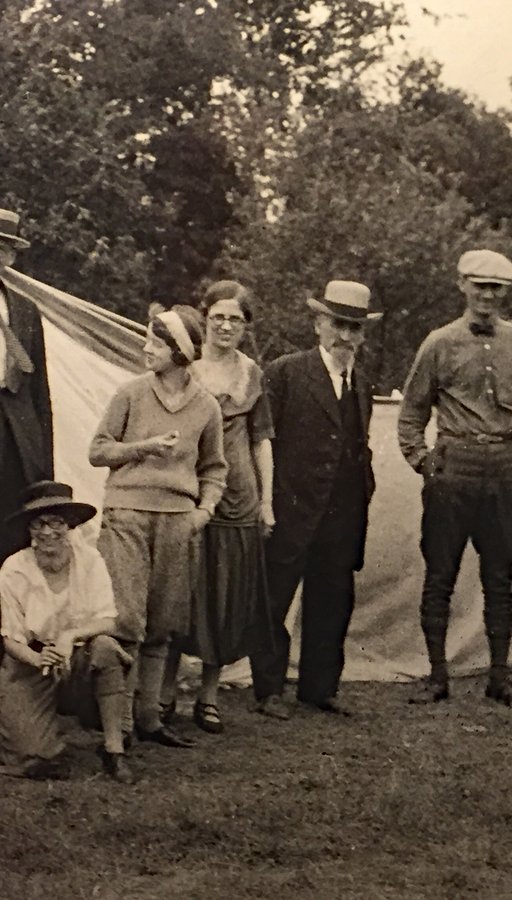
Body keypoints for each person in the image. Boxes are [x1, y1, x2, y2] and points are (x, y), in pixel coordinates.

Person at [398, 249, 512, 709]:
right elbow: (410, 414)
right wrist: (424, 462)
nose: (487, 295)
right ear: (461, 285)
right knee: (440, 573)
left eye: (496, 288)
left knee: (501, 575)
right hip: (455, 466)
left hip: (507, 467)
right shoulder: (438, 342)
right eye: (479, 285)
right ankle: (437, 676)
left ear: (505, 293)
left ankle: (500, 678)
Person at [89, 305, 227, 747]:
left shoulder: (206, 406)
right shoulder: (130, 393)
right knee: (126, 620)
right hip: (126, 514)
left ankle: (149, 719)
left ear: (180, 353)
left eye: (157, 343)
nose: (146, 349)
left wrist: (202, 513)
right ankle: (121, 726)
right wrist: (143, 447)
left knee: (163, 622)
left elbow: (215, 469)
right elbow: (98, 451)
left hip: (177, 522)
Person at [249, 280, 379, 717]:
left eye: (355, 328)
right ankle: (268, 689)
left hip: (342, 515)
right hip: (291, 508)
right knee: (274, 600)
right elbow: (262, 441)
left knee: (332, 600)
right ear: (319, 323)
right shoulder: (286, 372)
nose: (346, 337)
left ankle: (319, 687)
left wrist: (364, 490)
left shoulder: (361, 380)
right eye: (339, 325)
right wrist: (268, 502)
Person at [160, 282, 275, 734]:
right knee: (181, 589)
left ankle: (208, 696)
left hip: (238, 496)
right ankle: (164, 693)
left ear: (246, 327)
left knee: (226, 597)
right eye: (219, 316)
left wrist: (267, 501)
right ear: (205, 317)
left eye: (236, 319)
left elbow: (262, 439)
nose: (226, 325)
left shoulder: (253, 373)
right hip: (189, 488)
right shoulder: (185, 365)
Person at [0, 481, 134, 783]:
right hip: (32, 662)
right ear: (30, 529)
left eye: (57, 523)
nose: (48, 532)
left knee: (106, 647)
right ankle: (34, 728)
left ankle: (114, 751)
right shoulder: (14, 568)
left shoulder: (90, 560)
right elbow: (10, 639)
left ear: (69, 525)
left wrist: (69, 637)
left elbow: (107, 620)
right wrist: (38, 660)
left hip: (79, 655)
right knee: (33, 757)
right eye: (39, 524)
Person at [0, 209, 53, 564]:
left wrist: (45, 471)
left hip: (15, 439)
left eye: (6, 248)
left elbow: (40, 395)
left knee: (11, 539)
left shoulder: (25, 310)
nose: (0, 254)